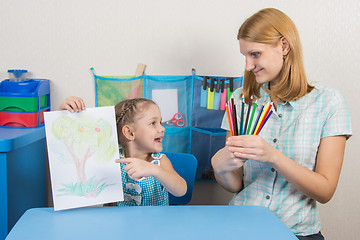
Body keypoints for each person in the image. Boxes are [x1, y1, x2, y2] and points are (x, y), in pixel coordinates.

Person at [211, 8, 351, 240]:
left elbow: (325, 191)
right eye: (244, 55)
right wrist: (220, 168)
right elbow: (236, 184)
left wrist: (273, 156)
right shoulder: (239, 100)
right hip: (240, 228)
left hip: (297, 233)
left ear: (284, 47)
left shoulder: (329, 103)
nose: (247, 65)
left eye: (255, 54)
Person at [59, 96, 187, 206]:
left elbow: (181, 190)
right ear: (129, 132)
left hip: (155, 229)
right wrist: (64, 112)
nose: (162, 128)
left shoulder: (159, 161)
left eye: (160, 122)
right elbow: (74, 144)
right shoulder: (110, 159)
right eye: (153, 123)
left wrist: (154, 170)